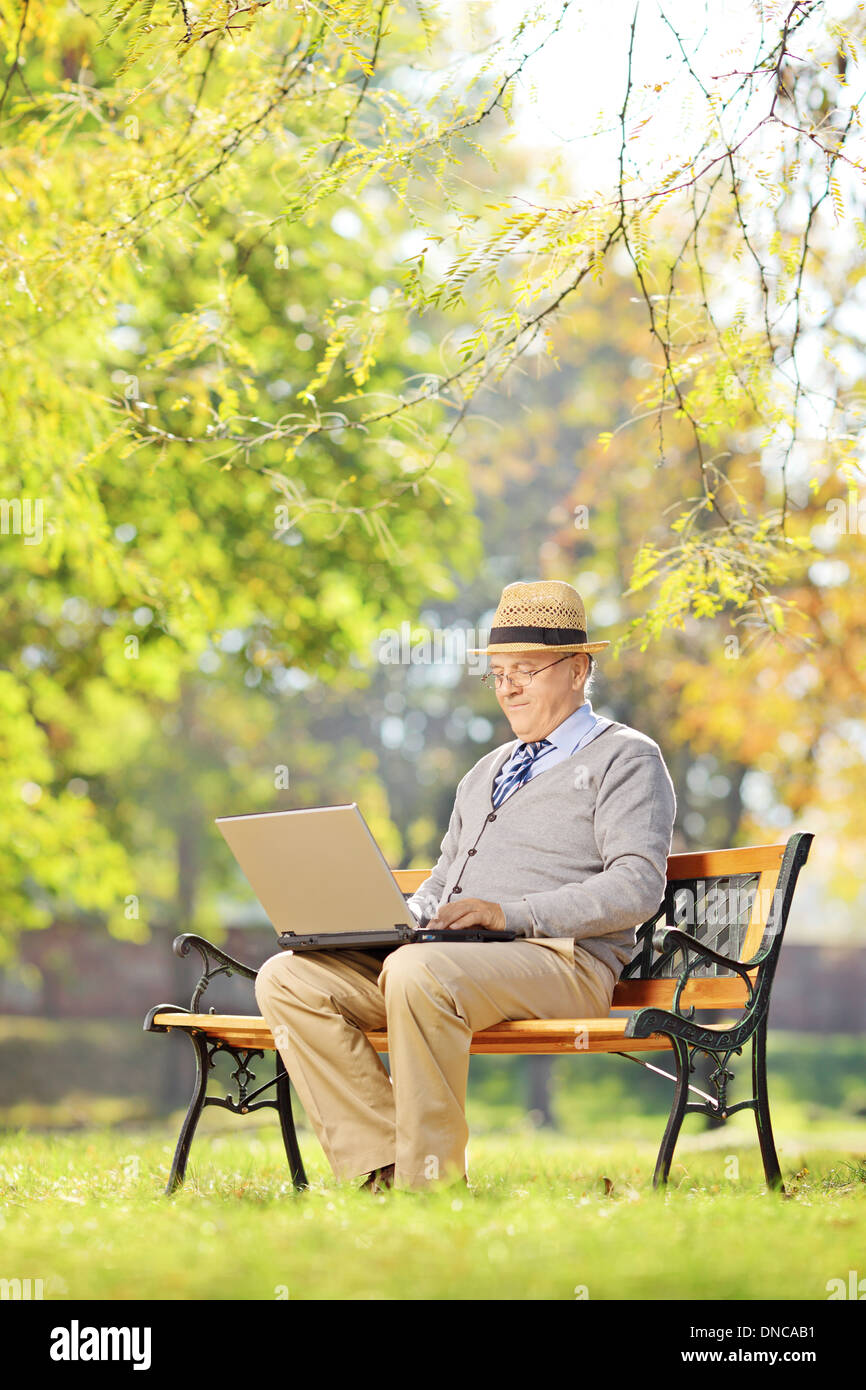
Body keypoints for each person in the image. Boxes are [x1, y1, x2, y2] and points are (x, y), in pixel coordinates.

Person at [255, 579, 677, 1193]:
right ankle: (384, 1169)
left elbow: (636, 886)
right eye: (498, 672)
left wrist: (509, 914)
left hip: (563, 963)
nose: (507, 687)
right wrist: (403, 915)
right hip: (445, 963)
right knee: (288, 978)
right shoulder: (486, 772)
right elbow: (445, 877)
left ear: (579, 668)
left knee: (418, 974)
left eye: (525, 670)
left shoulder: (626, 758)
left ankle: (431, 1184)